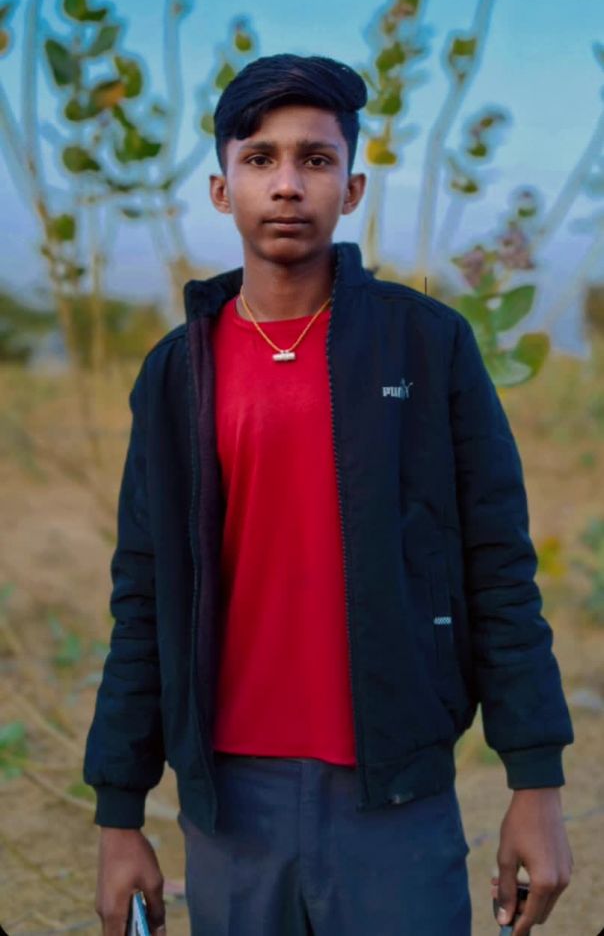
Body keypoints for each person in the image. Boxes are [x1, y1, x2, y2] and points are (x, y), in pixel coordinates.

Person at [84, 53, 574, 936]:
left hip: (395, 791)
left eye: (315, 160)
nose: (287, 184)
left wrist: (535, 782)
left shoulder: (426, 346)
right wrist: (120, 813)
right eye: (260, 159)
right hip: (229, 803)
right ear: (220, 189)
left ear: (351, 190)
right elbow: (144, 594)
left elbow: (498, 565)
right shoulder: (175, 374)